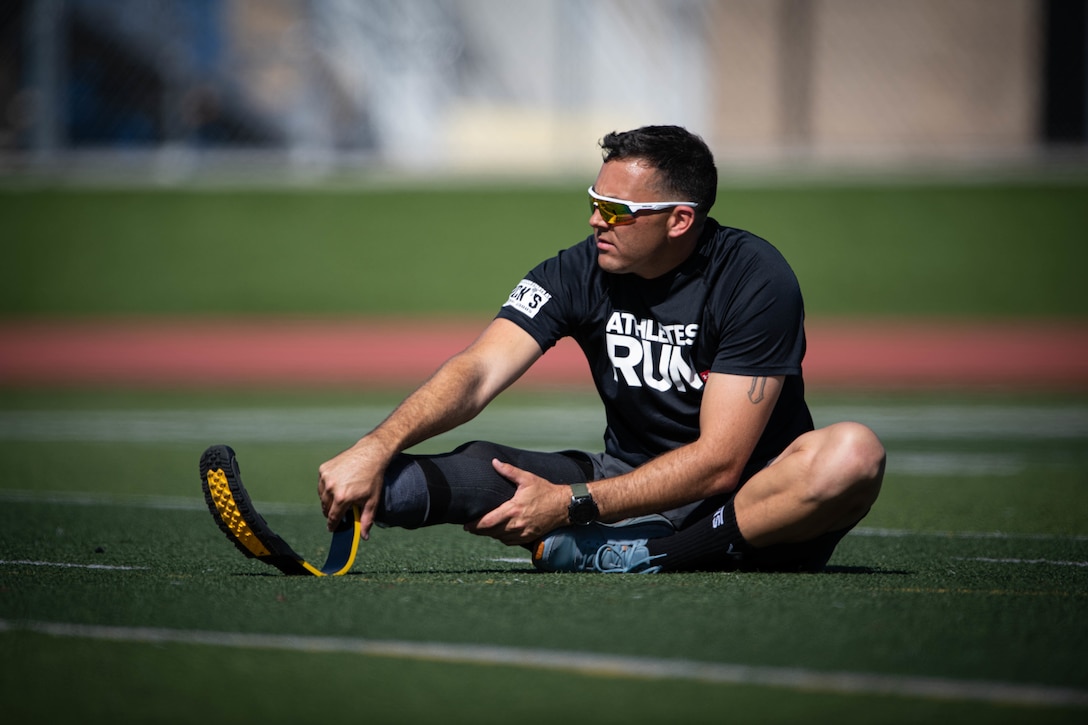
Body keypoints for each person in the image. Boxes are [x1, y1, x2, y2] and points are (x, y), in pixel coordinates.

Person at [318, 125, 885, 573]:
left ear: (679, 220)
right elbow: (478, 369)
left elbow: (720, 463)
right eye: (594, 201)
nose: (596, 220)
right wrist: (376, 447)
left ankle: (657, 557)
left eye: (616, 210)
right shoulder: (581, 268)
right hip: (625, 480)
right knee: (483, 463)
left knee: (851, 454)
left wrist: (569, 505)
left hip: (752, 508)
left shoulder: (754, 278)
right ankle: (373, 503)